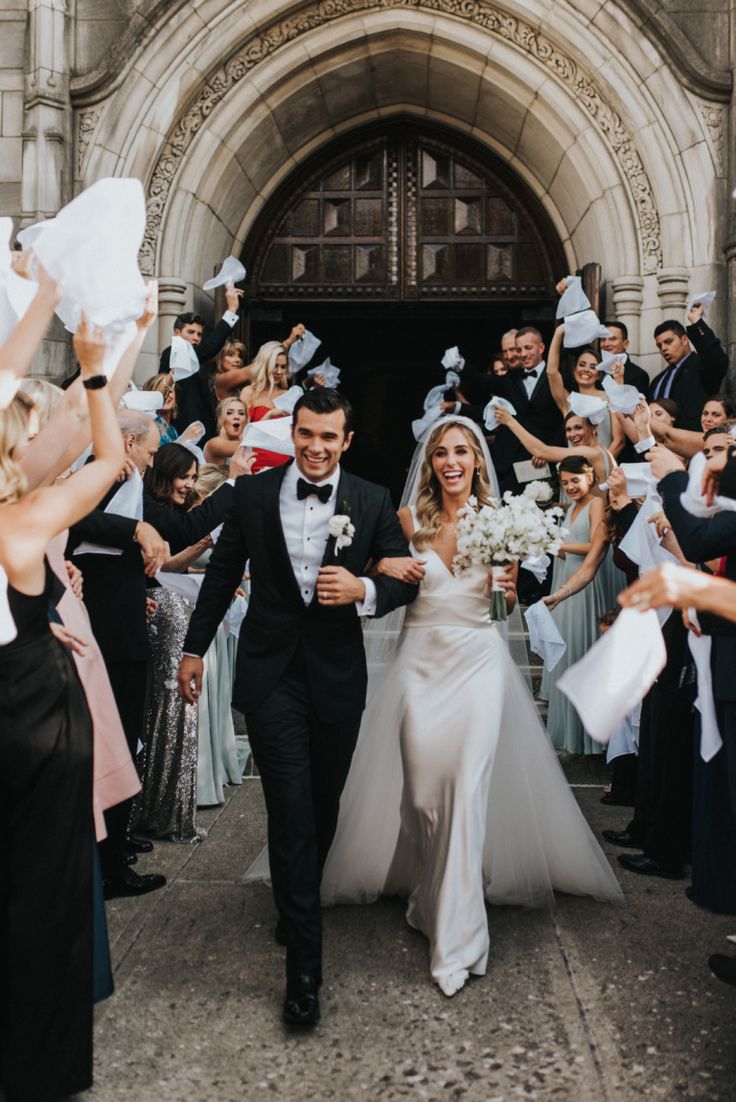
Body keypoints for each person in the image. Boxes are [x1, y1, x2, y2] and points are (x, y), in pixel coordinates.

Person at [319, 416, 622, 998]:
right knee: (423, 795)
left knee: (466, 788)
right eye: (441, 454)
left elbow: (501, 613)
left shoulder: (502, 523)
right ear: (429, 464)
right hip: (420, 667)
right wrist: (382, 565)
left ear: (478, 461)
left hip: (479, 665)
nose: (452, 461)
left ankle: (458, 940)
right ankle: (427, 895)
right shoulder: (405, 521)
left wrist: (507, 588)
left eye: (462, 451)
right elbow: (366, 576)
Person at [178, 388, 419, 1028]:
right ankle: (304, 974)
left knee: (321, 804)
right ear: (294, 434)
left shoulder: (370, 499)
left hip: (337, 678)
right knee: (289, 804)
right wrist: (193, 649)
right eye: (306, 435)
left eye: (328, 438)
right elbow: (225, 572)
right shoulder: (255, 496)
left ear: (346, 441)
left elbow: (401, 575)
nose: (315, 448)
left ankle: (296, 897)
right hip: (270, 674)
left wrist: (365, 587)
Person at [0, 319, 124, 1102]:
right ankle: (40, 1070)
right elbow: (112, 460)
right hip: (38, 712)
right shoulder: (25, 522)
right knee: (45, 887)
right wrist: (97, 372)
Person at [540, 456, 609, 754]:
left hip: (585, 587)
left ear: (590, 477)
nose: (570, 487)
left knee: (581, 650)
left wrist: (559, 545)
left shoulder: (596, 504)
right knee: (567, 651)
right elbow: (570, 553)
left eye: (575, 480)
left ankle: (587, 735)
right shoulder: (573, 508)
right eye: (565, 482)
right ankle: (569, 733)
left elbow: (597, 544)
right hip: (567, 583)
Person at [453, 326, 565, 493]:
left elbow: (565, 418)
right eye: (519, 349)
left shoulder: (557, 376)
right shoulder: (511, 377)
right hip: (513, 462)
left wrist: (548, 450)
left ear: (541, 348)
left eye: (528, 348)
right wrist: (460, 365)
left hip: (545, 461)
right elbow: (483, 381)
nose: (523, 354)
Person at [158, 283, 243, 437]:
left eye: (199, 334)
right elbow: (209, 349)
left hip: (200, 431)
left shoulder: (195, 359)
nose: (196, 338)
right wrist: (231, 310)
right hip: (183, 430)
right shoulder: (171, 352)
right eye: (190, 332)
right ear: (177, 333)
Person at [545, 323, 624, 454]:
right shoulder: (568, 400)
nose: (586, 370)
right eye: (582, 365)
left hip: (604, 467)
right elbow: (551, 372)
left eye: (593, 367)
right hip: (574, 467)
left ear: (599, 374)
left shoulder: (610, 397)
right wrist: (559, 332)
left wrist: (601, 464)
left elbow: (619, 441)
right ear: (575, 370)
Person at [649, 315, 727, 431]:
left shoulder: (700, 367)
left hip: (692, 442)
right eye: (659, 345)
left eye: (668, 342)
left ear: (684, 340)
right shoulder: (657, 381)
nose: (663, 348)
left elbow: (716, 359)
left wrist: (696, 321)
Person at [239, 341, 293, 473]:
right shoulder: (249, 392)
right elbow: (241, 436)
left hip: (284, 464)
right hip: (254, 464)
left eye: (283, 366)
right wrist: (267, 416)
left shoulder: (289, 395)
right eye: (275, 366)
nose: (279, 372)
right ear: (265, 365)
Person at [600, 320, 650, 392]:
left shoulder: (639, 375)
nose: (606, 344)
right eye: (603, 339)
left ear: (625, 344)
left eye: (612, 339)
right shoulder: (594, 370)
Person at [203, 396, 249, 470]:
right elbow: (248, 445)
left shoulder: (245, 441)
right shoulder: (214, 443)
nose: (236, 417)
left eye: (241, 413)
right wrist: (266, 417)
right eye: (229, 413)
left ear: (246, 420)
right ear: (219, 419)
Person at [143, 372, 178, 443]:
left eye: (170, 390)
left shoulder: (172, 430)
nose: (167, 395)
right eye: (163, 392)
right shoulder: (148, 426)